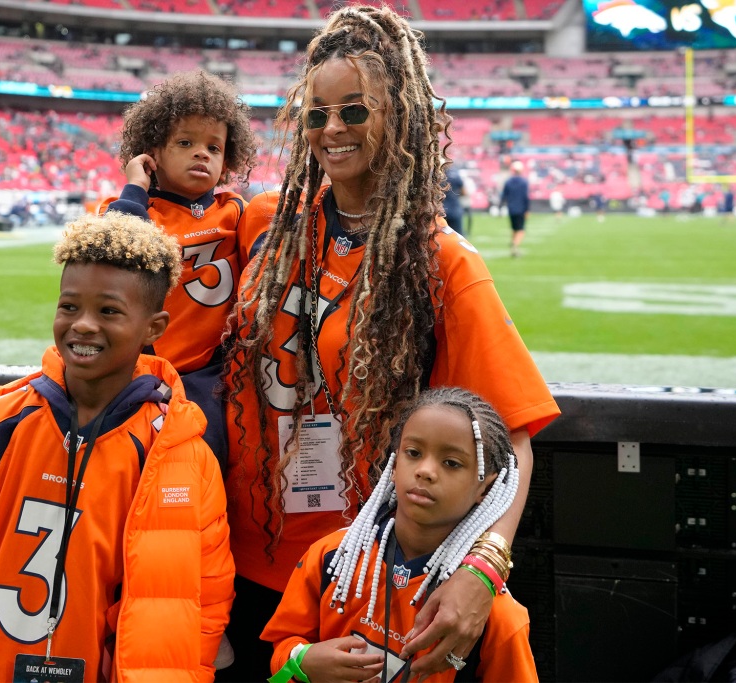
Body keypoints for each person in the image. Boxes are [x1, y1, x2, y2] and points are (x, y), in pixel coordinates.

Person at [219, 6, 560, 681]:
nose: (331, 129)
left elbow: (511, 440)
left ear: (399, 115)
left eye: (354, 110)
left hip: (354, 577)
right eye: (315, 115)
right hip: (235, 561)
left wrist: (483, 570)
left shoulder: (443, 263)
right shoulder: (263, 225)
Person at [0, 211, 235, 682]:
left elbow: (201, 603)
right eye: (69, 307)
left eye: (109, 311)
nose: (83, 325)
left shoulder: (180, 453)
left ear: (154, 328)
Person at [262, 388, 537, 682]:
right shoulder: (332, 557)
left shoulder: (496, 614)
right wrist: (301, 663)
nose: (426, 470)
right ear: (393, 466)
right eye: (414, 453)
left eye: (451, 463)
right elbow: (281, 657)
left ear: (485, 487)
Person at [103, 69, 258, 468]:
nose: (202, 153)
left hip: (211, 373)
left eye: (214, 147)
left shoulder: (235, 211)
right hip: (142, 370)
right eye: (185, 142)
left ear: (227, 160)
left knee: (206, 463)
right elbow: (111, 257)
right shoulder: (134, 210)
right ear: (153, 153)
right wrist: (135, 186)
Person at [500, 161, 530, 257]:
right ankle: (515, 245)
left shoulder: (508, 181)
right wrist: (527, 210)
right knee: (520, 229)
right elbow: (526, 197)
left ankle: (513, 242)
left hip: (511, 209)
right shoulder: (524, 182)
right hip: (521, 209)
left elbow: (503, 196)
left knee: (514, 229)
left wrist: (500, 207)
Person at [442, 162, 467, 235]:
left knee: (439, 238)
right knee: (457, 236)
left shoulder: (435, 175)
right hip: (454, 210)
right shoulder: (456, 174)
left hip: (440, 210)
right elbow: (464, 192)